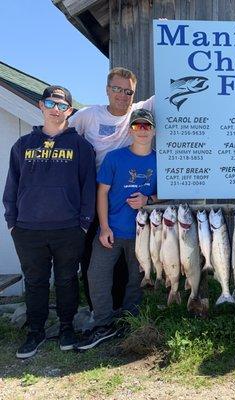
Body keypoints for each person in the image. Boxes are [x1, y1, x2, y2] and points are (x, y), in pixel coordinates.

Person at [3, 86, 96, 358]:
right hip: (28, 229)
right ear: (40, 106)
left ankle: (67, 328)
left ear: (69, 111)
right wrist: (12, 222)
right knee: (35, 282)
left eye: (61, 105)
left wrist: (83, 224)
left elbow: (88, 188)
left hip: (68, 229)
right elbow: (12, 187)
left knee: (67, 280)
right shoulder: (22, 145)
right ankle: (36, 331)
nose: (56, 109)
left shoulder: (80, 146)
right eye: (50, 103)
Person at [68, 67, 154, 314]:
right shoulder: (88, 115)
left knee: (127, 259)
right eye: (117, 89)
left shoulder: (138, 113)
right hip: (92, 192)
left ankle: (122, 309)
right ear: (107, 90)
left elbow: (170, 90)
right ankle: (98, 309)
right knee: (93, 255)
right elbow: (64, 134)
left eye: (128, 91)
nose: (122, 95)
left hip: (123, 194)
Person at [75, 109, 157, 350]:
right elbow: (102, 192)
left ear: (153, 130)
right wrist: (103, 227)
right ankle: (102, 323)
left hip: (144, 234)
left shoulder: (161, 160)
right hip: (111, 230)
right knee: (96, 275)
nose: (142, 130)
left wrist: (148, 200)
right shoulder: (114, 157)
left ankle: (131, 322)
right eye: (137, 126)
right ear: (130, 130)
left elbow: (166, 197)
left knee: (136, 279)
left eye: (146, 126)